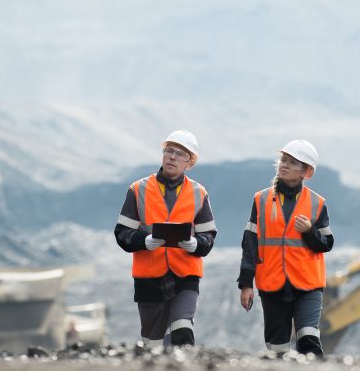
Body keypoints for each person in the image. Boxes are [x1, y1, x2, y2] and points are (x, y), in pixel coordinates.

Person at [114, 130, 217, 347]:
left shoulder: (199, 193)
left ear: (190, 162)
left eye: (180, 154)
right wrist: (143, 241)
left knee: (182, 330)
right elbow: (122, 233)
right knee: (153, 344)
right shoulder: (138, 189)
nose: (172, 157)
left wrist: (196, 244)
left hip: (185, 276)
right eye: (169, 151)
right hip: (149, 279)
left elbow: (208, 236)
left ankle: (184, 360)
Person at [237, 139, 333, 357]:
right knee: (277, 349)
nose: (284, 165)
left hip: (308, 284)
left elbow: (326, 243)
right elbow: (250, 245)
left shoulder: (317, 203)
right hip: (272, 284)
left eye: (292, 162)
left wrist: (309, 231)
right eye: (283, 159)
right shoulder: (260, 200)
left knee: (309, 338)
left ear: (306, 172)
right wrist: (246, 284)